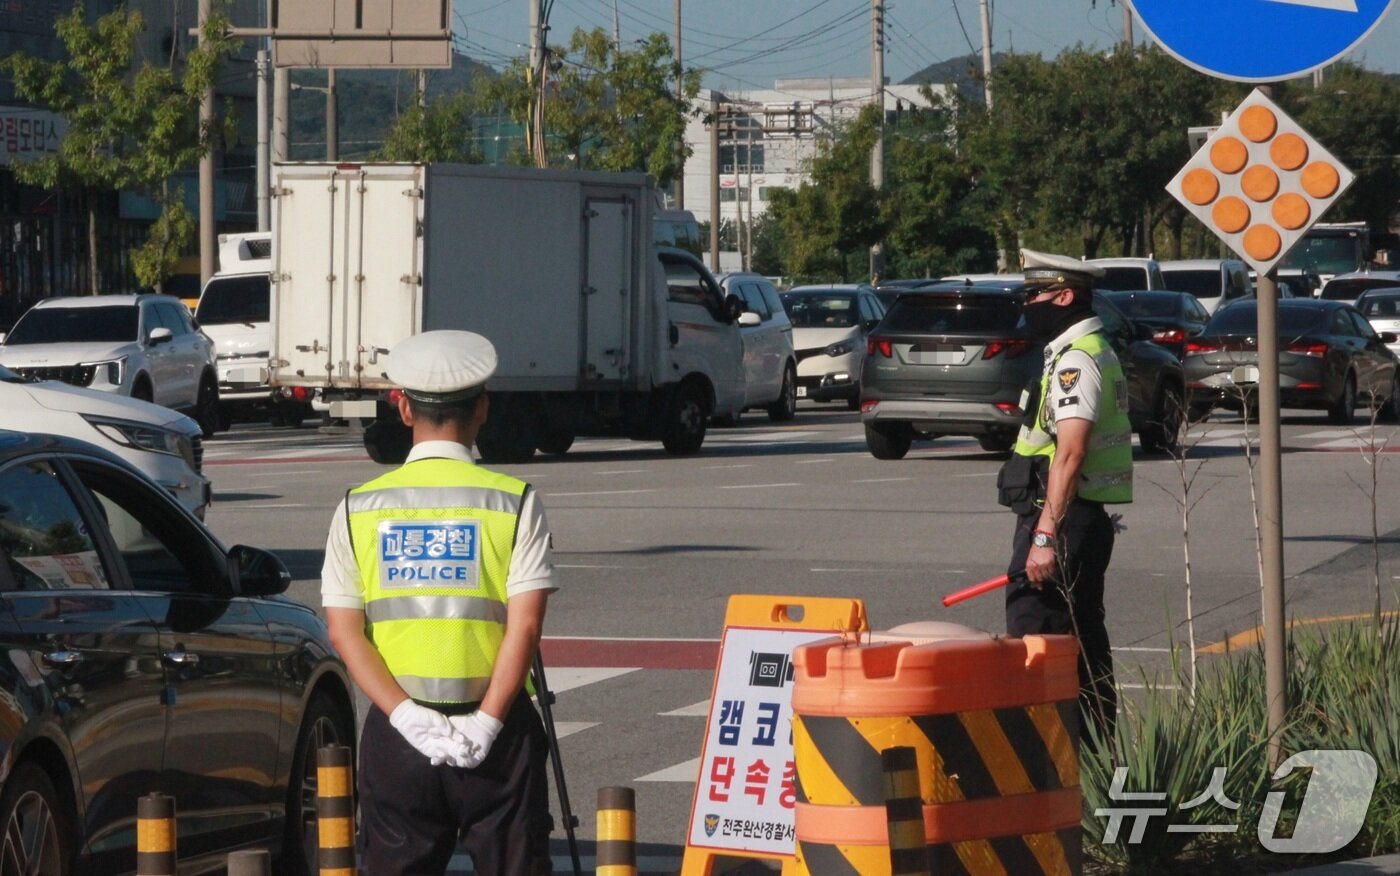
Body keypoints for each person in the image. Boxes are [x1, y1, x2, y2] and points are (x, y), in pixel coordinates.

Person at [321, 329, 557, 875]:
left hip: (398, 738)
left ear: (402, 408)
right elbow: (524, 629)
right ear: (483, 408)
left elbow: (344, 632)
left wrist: (406, 716)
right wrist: (487, 725)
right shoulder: (514, 502)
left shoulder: (358, 508)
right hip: (497, 741)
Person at [998, 249, 1132, 741]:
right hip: (1072, 518)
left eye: (1034, 294)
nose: (1027, 303)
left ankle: (1053, 761)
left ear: (1065, 295)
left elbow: (1071, 453)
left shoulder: (1078, 359)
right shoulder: (1078, 350)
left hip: (1061, 521)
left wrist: (1044, 536)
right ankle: (1092, 758)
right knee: (1079, 644)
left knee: (1041, 639)